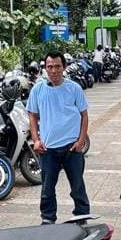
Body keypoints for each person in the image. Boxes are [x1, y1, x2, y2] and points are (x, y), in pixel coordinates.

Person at [27, 51, 91, 225]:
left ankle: (82, 217)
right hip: (48, 149)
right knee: (47, 189)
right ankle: (48, 219)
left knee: (77, 187)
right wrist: (36, 140)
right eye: (50, 67)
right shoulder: (38, 90)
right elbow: (32, 115)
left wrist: (81, 141)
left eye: (57, 66)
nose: (53, 70)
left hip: (72, 148)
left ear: (64, 67)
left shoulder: (74, 88)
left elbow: (84, 115)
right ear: (45, 68)